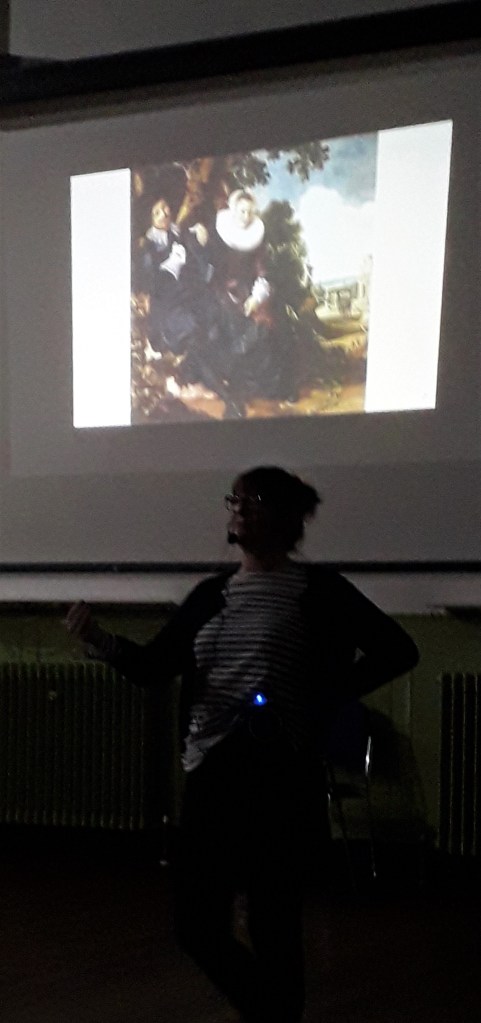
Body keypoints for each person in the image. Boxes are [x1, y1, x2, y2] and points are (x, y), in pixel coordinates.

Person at [65, 466, 419, 1023]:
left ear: (285, 517)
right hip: (212, 772)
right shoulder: (212, 595)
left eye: (253, 500)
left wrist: (322, 696)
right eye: (235, 499)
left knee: (274, 922)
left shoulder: (319, 591)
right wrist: (100, 640)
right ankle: (269, 1011)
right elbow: (156, 667)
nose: (239, 508)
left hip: (281, 774)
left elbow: (398, 650)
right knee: (196, 924)